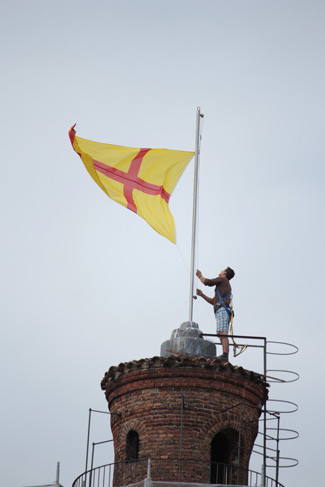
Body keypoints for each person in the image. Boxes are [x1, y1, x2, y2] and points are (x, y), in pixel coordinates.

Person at [196, 267, 235, 362]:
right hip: (221, 310)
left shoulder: (222, 279)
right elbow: (214, 301)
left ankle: (225, 355)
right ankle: (224, 354)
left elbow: (207, 282)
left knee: (223, 333)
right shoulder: (224, 285)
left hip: (222, 310)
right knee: (221, 333)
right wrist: (202, 295)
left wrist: (200, 276)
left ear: (225, 273)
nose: (221, 270)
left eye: (223, 269)